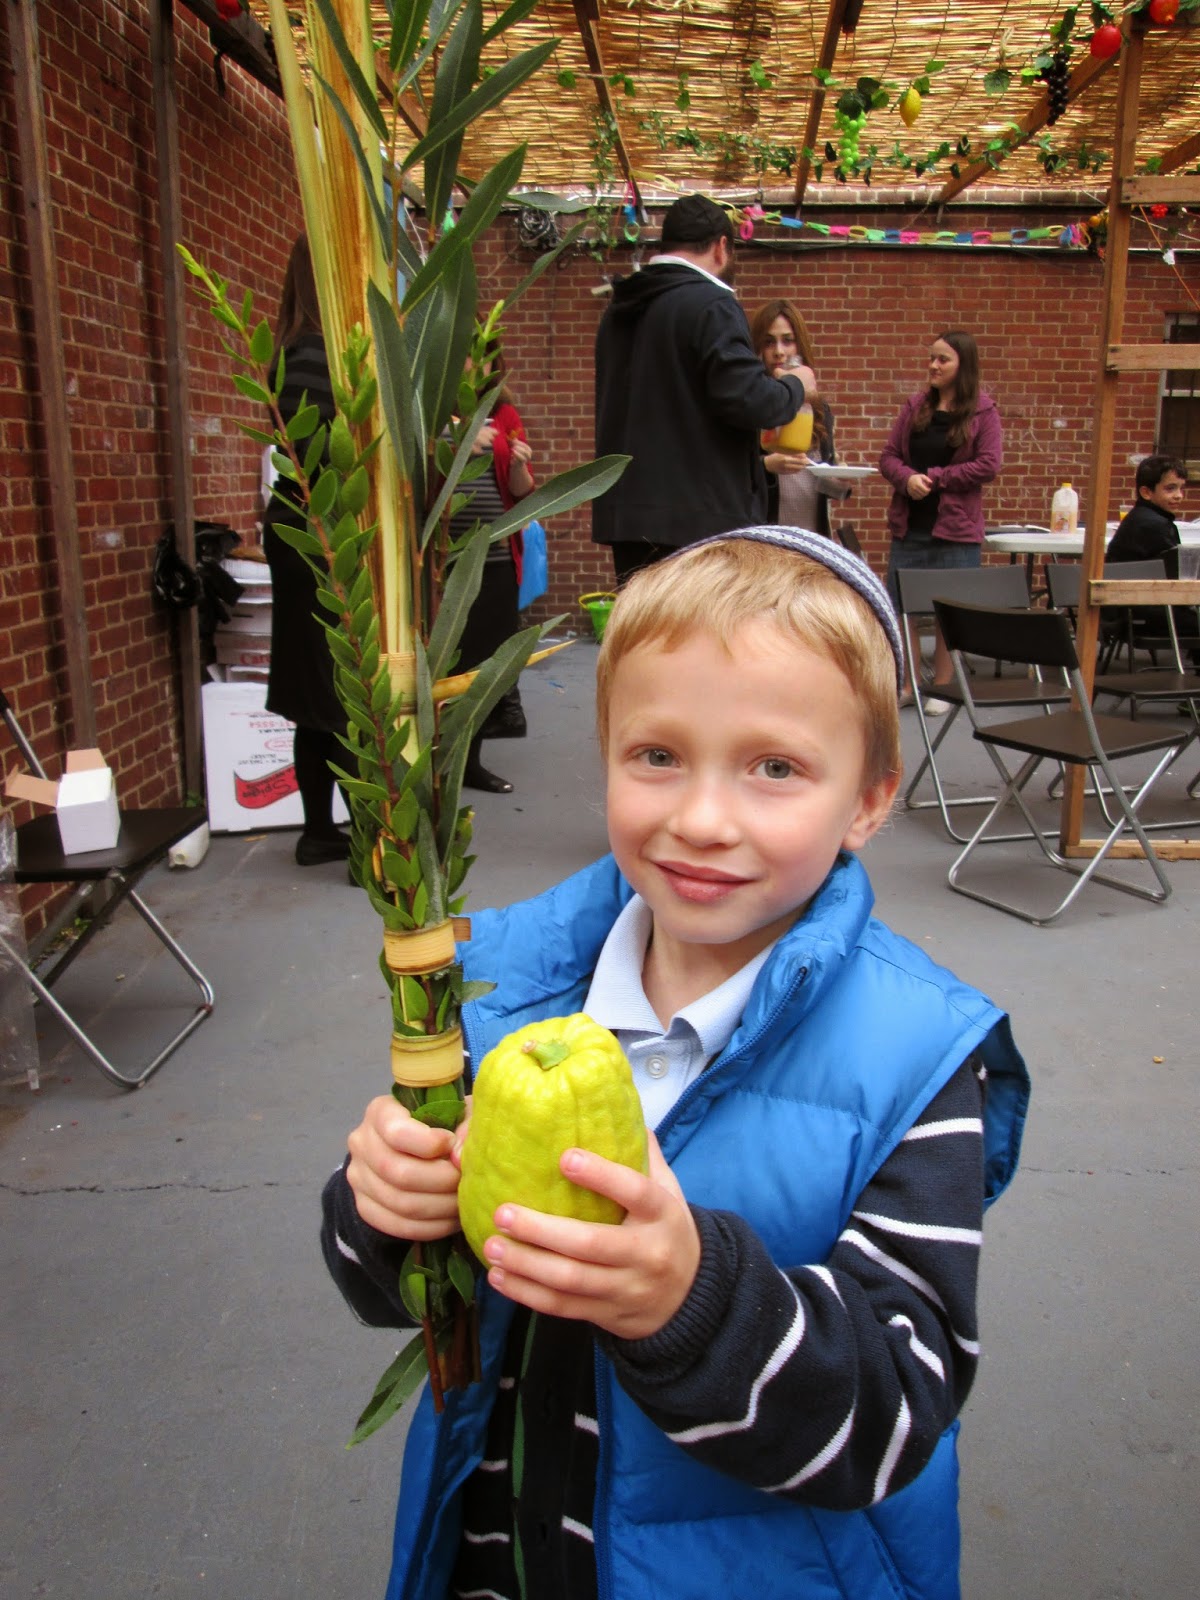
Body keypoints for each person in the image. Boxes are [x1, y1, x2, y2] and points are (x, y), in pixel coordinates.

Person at [320, 526, 1030, 1600]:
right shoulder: (498, 994)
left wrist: (693, 1302)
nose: (701, 820)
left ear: (869, 799)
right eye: (657, 756)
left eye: (775, 768)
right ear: (605, 753)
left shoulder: (915, 1062)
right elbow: (409, 1292)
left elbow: (893, 1416)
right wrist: (382, 1210)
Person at [592, 194, 817, 583]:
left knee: (647, 623)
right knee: (700, 624)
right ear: (721, 246)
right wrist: (796, 385)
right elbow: (750, 400)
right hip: (699, 521)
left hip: (627, 514)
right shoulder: (711, 303)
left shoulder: (620, 309)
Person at [262, 236, 350, 866]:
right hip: (320, 533)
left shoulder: (288, 350)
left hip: (298, 528)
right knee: (340, 689)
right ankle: (371, 843)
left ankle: (319, 832)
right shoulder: (317, 355)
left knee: (313, 689)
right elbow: (330, 453)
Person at [879, 330, 1003, 713]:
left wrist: (935, 478)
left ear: (963, 365)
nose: (933, 365)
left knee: (948, 612)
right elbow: (888, 457)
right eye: (931, 358)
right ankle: (910, 683)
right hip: (910, 526)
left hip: (956, 530)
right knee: (902, 608)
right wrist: (906, 479)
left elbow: (989, 464)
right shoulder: (915, 406)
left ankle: (944, 688)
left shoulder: (983, 412)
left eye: (942, 359)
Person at [448, 338, 536, 794]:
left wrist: (519, 465)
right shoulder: (430, 412)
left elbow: (521, 491)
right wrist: (458, 440)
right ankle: (435, 761)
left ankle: (469, 762)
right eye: (468, 350)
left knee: (484, 663)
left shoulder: (503, 414)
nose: (475, 361)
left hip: (497, 556)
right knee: (446, 658)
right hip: (442, 560)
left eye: (483, 353)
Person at [750, 297, 849, 538]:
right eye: (769, 342)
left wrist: (839, 479)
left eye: (788, 340)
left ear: (800, 346)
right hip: (765, 538)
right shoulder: (751, 405)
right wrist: (766, 466)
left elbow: (822, 485)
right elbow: (728, 477)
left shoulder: (818, 409)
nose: (779, 352)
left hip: (810, 538)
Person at [1105, 453, 1195, 662]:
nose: (1179, 495)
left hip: (1127, 609)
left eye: (1181, 488)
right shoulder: (1154, 525)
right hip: (1145, 611)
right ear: (1146, 492)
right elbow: (1179, 575)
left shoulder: (1141, 517)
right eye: (1170, 488)